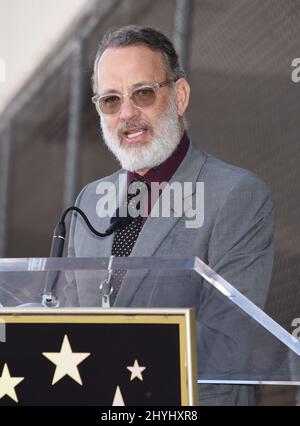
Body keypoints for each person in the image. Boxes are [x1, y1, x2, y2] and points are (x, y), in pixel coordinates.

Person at [67, 25, 274, 406]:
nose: (127, 113)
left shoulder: (235, 195)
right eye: (111, 100)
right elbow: (64, 333)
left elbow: (229, 342)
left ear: (179, 96)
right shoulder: (89, 200)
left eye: (143, 93)